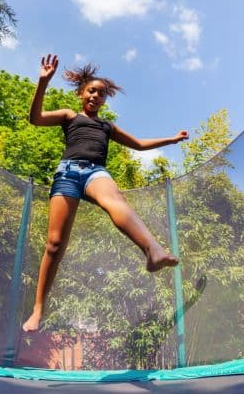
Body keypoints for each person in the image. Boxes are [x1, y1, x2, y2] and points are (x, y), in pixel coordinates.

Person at [22, 54, 189, 332]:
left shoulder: (106, 127)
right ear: (81, 94)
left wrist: (171, 139)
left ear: (104, 100)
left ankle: (154, 250)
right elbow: (35, 119)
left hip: (95, 172)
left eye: (101, 94)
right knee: (54, 244)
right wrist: (43, 83)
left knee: (115, 201)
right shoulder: (69, 116)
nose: (96, 96)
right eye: (91, 91)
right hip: (67, 173)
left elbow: (138, 144)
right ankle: (38, 309)